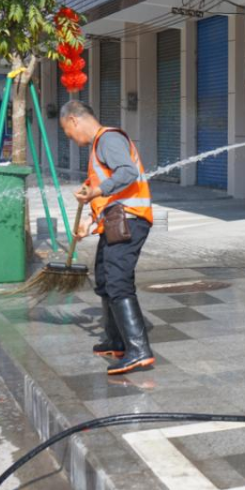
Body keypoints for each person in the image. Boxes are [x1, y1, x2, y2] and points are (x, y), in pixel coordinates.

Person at [60, 100, 155, 375]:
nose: (71, 139)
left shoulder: (109, 139)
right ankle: (117, 340)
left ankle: (138, 350)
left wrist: (97, 190)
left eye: (67, 132)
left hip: (130, 219)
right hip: (115, 220)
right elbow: (109, 196)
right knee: (104, 277)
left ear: (74, 120)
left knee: (118, 281)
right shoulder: (97, 147)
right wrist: (89, 223)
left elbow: (128, 172)